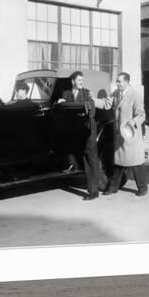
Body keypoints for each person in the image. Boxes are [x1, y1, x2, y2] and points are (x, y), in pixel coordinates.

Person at [99, 72, 148, 196]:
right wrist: (91, 100)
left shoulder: (135, 96)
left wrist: (133, 121)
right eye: (117, 81)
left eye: (119, 81)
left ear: (127, 82)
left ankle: (143, 188)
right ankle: (113, 187)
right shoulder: (116, 93)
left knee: (136, 164)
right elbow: (106, 104)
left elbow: (141, 115)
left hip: (130, 135)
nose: (117, 84)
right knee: (119, 163)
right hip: (120, 135)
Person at [58, 71, 102, 201]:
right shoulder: (65, 94)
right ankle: (92, 188)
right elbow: (62, 113)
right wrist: (61, 103)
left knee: (91, 160)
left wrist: (75, 110)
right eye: (79, 80)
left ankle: (94, 191)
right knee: (84, 159)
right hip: (77, 132)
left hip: (88, 130)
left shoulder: (87, 93)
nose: (81, 82)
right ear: (73, 81)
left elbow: (92, 112)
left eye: (83, 80)